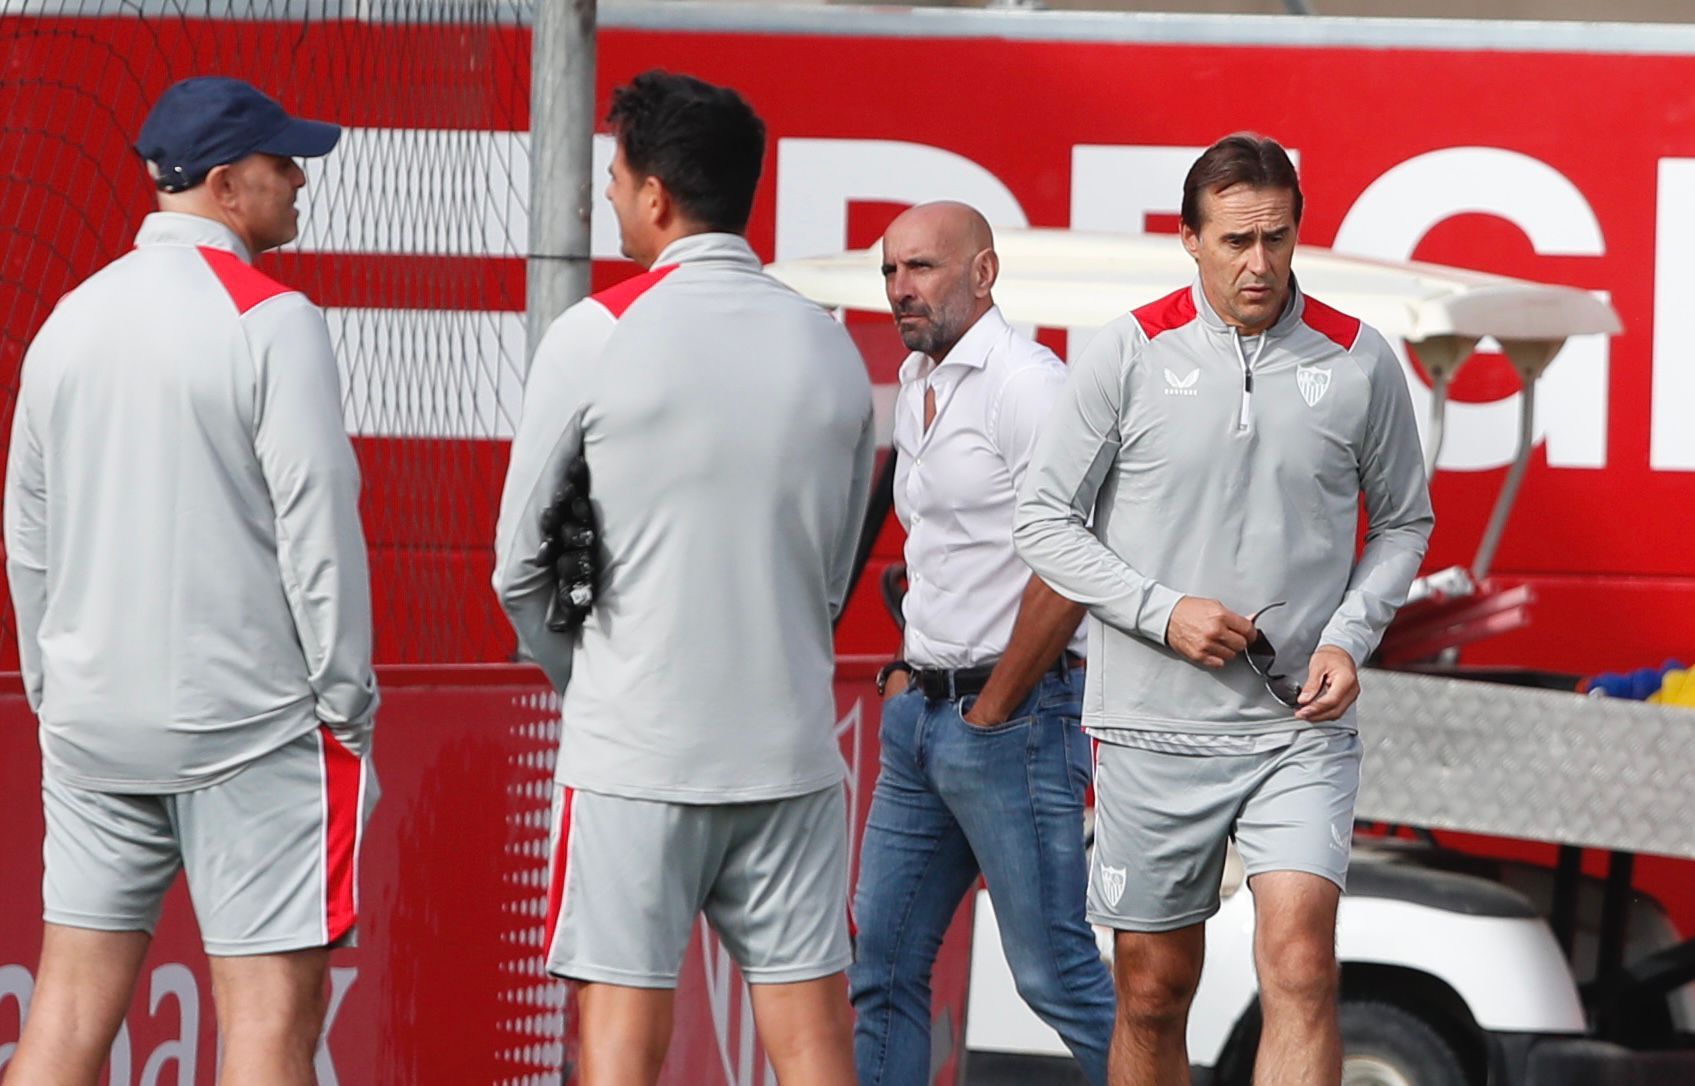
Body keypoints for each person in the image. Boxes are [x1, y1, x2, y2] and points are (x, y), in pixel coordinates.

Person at [1014, 134, 1434, 1086]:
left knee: (1300, 965)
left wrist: (1347, 636)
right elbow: (1041, 520)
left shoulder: (1360, 360)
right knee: (1155, 989)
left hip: (1298, 725)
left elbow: (1405, 521)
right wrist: (1163, 613)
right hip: (1150, 729)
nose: (1259, 263)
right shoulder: (1125, 352)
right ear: (1188, 239)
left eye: (1277, 239)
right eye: (1236, 241)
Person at [492, 70, 874, 1086]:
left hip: (634, 757)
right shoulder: (831, 351)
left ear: (655, 196)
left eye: (616, 175)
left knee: (619, 1050)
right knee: (814, 1045)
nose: (609, 195)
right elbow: (829, 578)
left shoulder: (593, 336)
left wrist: (594, 678)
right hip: (788, 749)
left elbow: (517, 567)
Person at [3, 76, 377, 1085]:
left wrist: (56, 691)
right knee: (269, 1018)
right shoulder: (272, 317)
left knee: (68, 1010)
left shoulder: (68, 322)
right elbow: (319, 531)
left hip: (91, 720)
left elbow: (25, 539)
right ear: (225, 184)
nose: (300, 179)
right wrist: (344, 705)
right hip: (249, 726)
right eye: (281, 163)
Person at [849, 201, 1115, 1084]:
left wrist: (993, 704)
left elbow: (1073, 562)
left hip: (1013, 721)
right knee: (879, 970)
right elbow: (944, 552)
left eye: (920, 268)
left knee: (1054, 975)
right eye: (889, 271)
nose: (899, 290)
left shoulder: (1025, 383)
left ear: (983, 274)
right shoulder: (919, 385)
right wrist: (904, 666)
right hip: (923, 717)